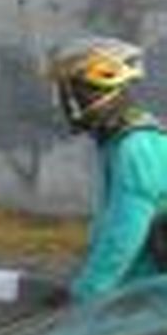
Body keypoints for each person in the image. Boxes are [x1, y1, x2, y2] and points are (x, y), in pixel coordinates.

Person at [47, 36, 167, 303]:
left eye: (69, 93)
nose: (63, 105)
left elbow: (122, 237)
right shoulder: (119, 140)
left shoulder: (136, 146)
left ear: (93, 91)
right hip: (141, 293)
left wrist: (85, 292)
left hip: (153, 303)